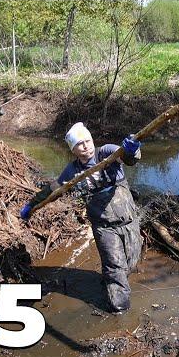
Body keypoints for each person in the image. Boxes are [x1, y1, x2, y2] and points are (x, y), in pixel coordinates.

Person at [20, 122, 143, 313]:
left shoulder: (107, 152)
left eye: (87, 140)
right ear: (73, 150)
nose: (86, 146)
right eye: (80, 144)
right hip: (103, 225)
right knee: (114, 265)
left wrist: (132, 150)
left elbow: (128, 158)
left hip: (128, 218)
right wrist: (32, 205)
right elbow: (53, 190)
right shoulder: (72, 171)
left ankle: (114, 283)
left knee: (131, 260)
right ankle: (120, 308)